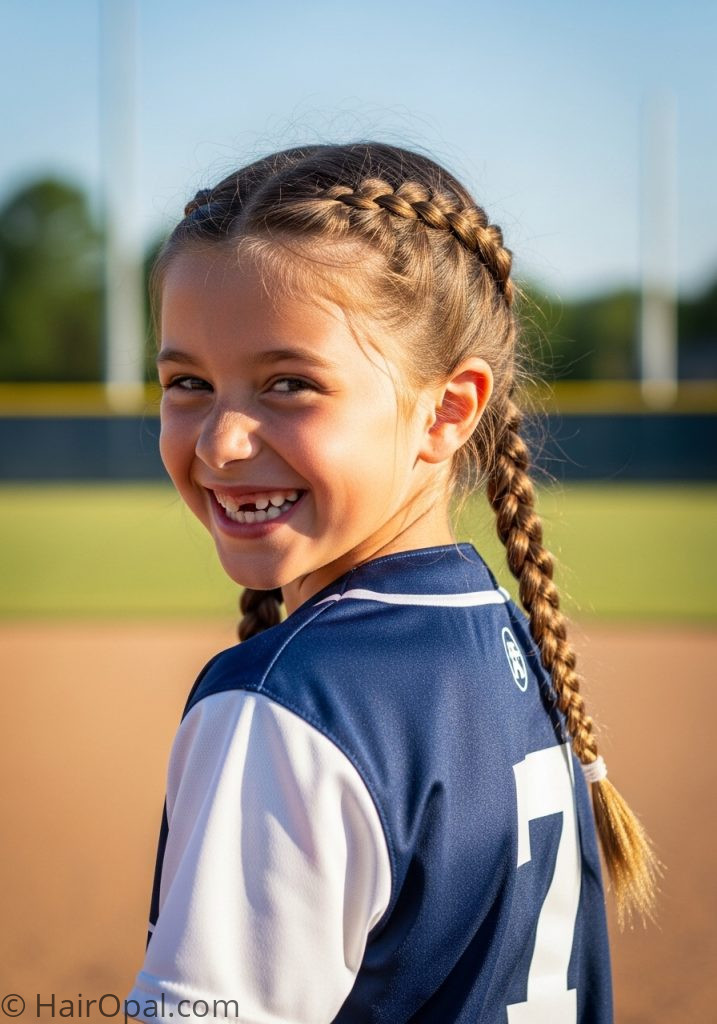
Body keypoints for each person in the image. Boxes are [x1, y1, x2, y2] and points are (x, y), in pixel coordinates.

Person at [125, 142, 656, 1023]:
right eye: (187, 382)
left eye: (289, 384)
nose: (218, 442)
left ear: (447, 409)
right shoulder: (505, 635)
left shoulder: (291, 703)